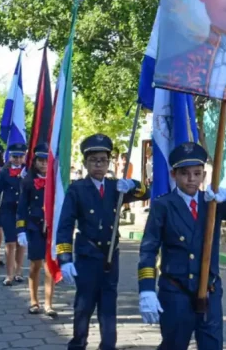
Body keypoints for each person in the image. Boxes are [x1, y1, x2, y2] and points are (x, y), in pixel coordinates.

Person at [137, 142, 226, 350]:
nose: (191, 179)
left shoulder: (212, 202)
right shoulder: (163, 205)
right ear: (174, 175)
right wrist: (146, 290)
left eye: (197, 173)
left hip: (209, 290)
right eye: (185, 174)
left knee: (211, 344)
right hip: (176, 291)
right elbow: (149, 248)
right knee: (174, 344)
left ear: (204, 175)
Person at [55, 133, 149, 350]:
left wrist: (132, 184)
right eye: (93, 160)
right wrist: (65, 258)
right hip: (87, 256)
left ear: (109, 162)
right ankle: (78, 344)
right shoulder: (77, 189)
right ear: (86, 163)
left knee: (108, 306)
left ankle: (108, 345)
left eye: (103, 160)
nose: (98, 165)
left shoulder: (117, 187)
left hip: (110, 258)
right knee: (83, 306)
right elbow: (65, 226)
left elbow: (147, 192)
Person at [16, 143, 57, 317]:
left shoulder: (56, 181)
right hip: (34, 227)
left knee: (50, 266)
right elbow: (22, 207)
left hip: (51, 227)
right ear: (35, 162)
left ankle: (48, 303)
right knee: (35, 265)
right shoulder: (28, 181)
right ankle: (34, 300)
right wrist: (21, 229)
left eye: (46, 161)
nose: (43, 164)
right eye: (40, 160)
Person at [0, 143, 28, 286]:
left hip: (24, 212)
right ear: (10, 157)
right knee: (10, 242)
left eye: (21, 157)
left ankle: (19, 271)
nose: (17, 159)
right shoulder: (4, 172)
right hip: (8, 210)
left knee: (21, 243)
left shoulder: (28, 172)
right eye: (15, 156)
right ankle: (9, 274)